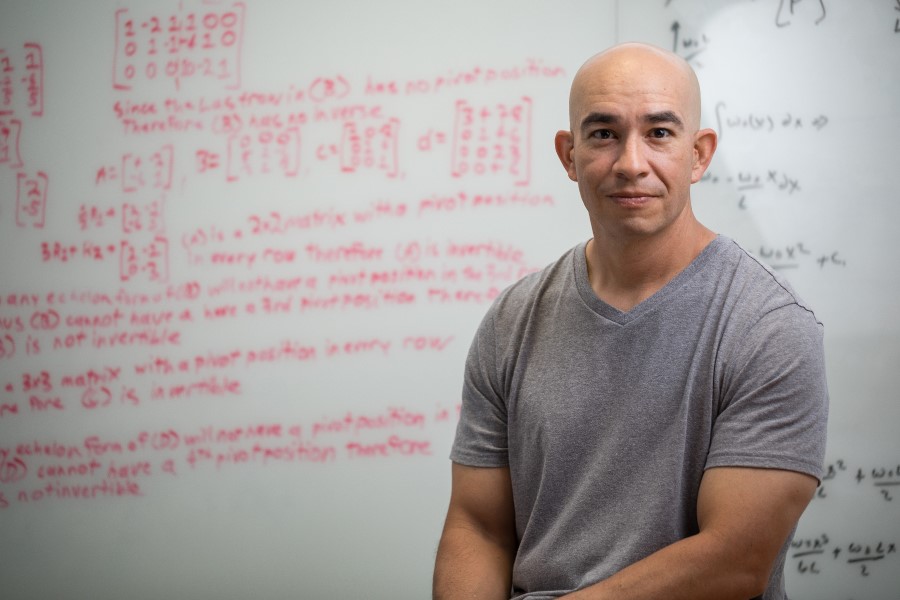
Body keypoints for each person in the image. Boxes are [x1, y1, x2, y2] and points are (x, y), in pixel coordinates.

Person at [432, 42, 829, 600]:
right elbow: (479, 527)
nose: (631, 164)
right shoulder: (512, 320)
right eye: (604, 134)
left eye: (659, 133)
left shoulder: (769, 327)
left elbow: (734, 562)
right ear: (569, 156)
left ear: (699, 155)